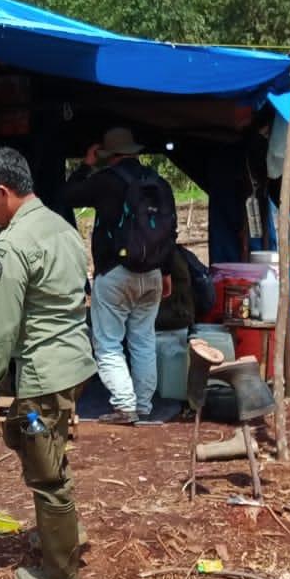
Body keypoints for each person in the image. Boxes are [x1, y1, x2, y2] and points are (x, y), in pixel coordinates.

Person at [0, 148, 97, 579]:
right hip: (76, 361)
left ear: (3, 193)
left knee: (46, 473)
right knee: (53, 450)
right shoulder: (62, 227)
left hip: (44, 372)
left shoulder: (11, 243)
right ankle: (64, 531)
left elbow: (2, 329)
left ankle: (60, 574)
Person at [63, 127, 177, 424]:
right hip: (153, 272)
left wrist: (86, 165)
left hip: (114, 273)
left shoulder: (105, 181)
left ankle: (125, 406)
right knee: (143, 339)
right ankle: (144, 406)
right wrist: (166, 272)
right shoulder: (158, 182)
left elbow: (67, 195)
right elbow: (169, 233)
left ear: (108, 155)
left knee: (109, 342)